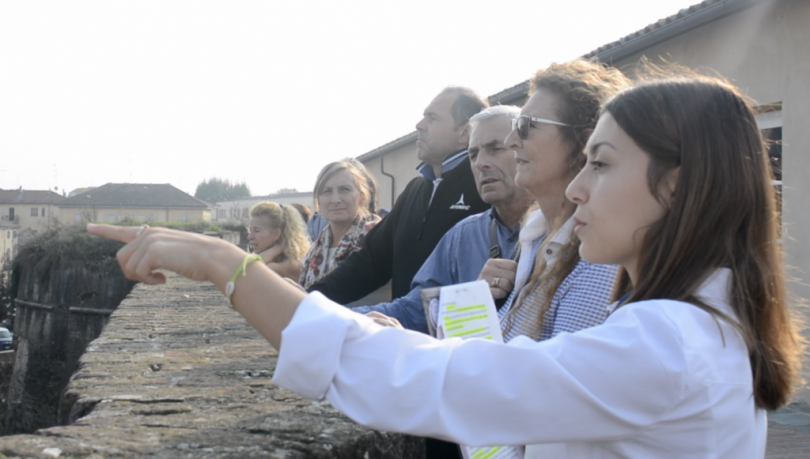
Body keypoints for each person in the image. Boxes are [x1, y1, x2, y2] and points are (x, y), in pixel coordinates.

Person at [89, 71, 802, 458]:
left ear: (677, 186)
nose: (579, 186)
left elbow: (433, 378)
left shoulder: (666, 344)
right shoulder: (692, 321)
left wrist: (226, 265)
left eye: (601, 164)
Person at [355, 105, 534, 332]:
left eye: (496, 148)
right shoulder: (462, 236)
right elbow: (413, 313)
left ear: (527, 152)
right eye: (473, 154)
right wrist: (326, 316)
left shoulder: (566, 235)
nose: (480, 163)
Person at [306, 87, 489, 304]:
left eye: (432, 118)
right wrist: (309, 297)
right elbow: (371, 262)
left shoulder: (484, 188)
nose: (419, 125)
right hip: (408, 332)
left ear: (465, 133)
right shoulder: (415, 190)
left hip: (459, 333)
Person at [300, 160, 385, 306]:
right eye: (327, 192)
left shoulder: (378, 236)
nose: (335, 200)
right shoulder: (316, 247)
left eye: (344, 189)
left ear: (362, 196)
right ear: (319, 202)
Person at [246, 202, 309, 279]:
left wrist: (277, 248)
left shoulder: (291, 264)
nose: (250, 237)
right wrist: (279, 247)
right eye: (250, 230)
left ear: (276, 234)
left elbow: (248, 271)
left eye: (257, 230)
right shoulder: (276, 259)